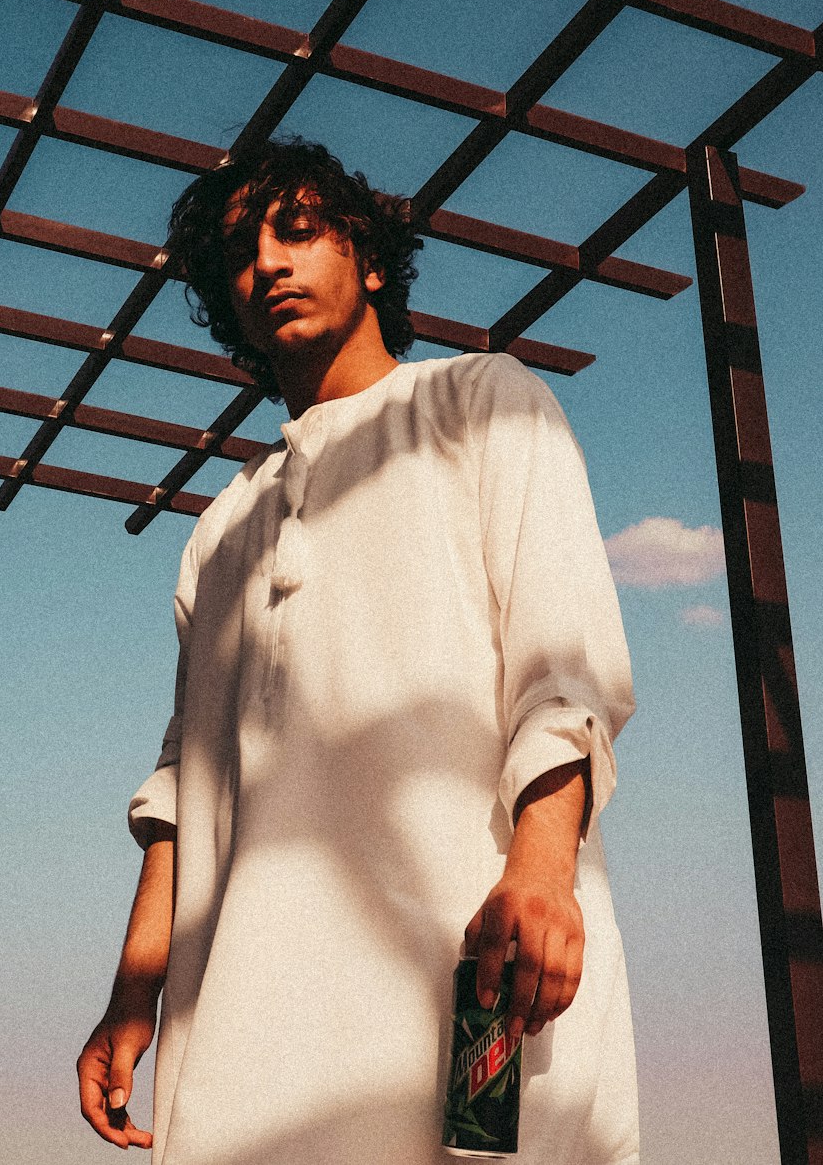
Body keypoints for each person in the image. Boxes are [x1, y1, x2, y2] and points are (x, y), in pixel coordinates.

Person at [77, 137, 638, 1165]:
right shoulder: (223, 525)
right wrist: (132, 994)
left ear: (369, 259)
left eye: (298, 232)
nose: (270, 266)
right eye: (241, 254)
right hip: (247, 1002)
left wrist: (544, 871)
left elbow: (563, 669)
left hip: (466, 956)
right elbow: (184, 781)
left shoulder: (480, 401)